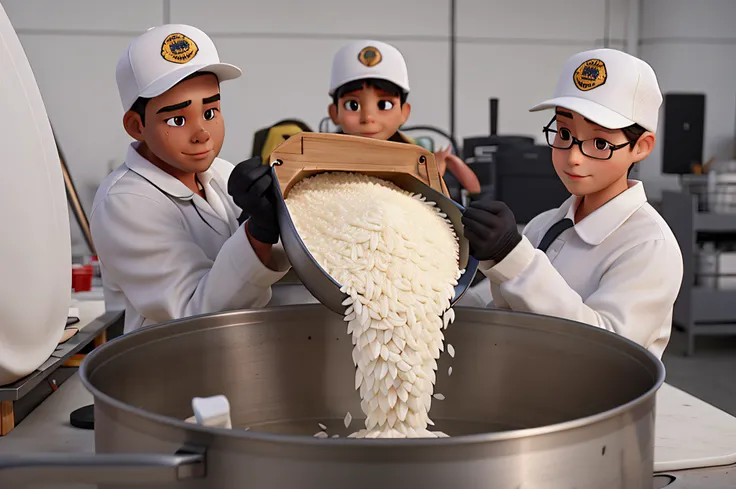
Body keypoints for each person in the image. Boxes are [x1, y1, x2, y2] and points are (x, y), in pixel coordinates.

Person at [461, 48, 683, 359]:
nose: (574, 157)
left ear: (641, 147)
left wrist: (512, 257)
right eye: (564, 133)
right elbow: (496, 307)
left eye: (600, 143)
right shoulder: (545, 225)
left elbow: (605, 349)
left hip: (602, 405)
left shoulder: (648, 246)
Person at [90, 24, 290, 334]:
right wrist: (257, 233)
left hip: (238, 357)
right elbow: (192, 312)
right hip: (171, 371)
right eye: (177, 120)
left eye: (210, 112)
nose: (202, 134)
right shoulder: (124, 203)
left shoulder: (221, 173)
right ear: (136, 125)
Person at [327, 40, 481, 195]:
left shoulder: (417, 153)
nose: (367, 118)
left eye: (384, 105)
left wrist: (439, 170)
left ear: (404, 112)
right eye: (353, 105)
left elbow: (475, 191)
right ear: (334, 113)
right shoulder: (322, 154)